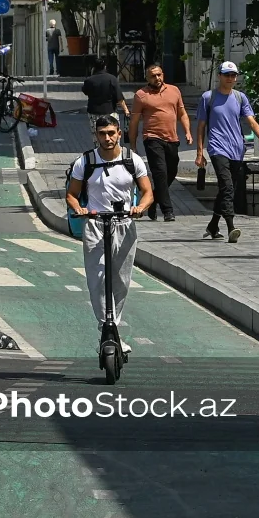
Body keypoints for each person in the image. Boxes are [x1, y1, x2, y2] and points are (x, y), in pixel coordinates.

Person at [65, 115, 154, 355]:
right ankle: (107, 328)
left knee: (121, 280)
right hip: (95, 224)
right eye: (102, 133)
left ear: (119, 134)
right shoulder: (85, 162)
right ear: (96, 135)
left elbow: (147, 192)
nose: (107, 138)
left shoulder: (132, 160)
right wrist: (79, 209)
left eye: (111, 133)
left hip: (124, 223)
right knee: (98, 279)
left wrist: (139, 208)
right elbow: (72, 194)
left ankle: (113, 326)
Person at [194, 61, 259, 243]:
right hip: (217, 148)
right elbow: (201, 126)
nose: (230, 78)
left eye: (233, 75)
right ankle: (231, 227)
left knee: (227, 189)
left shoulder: (240, 97)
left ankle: (212, 225)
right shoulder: (208, 97)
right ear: (219, 76)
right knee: (227, 187)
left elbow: (251, 120)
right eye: (226, 75)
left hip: (237, 149)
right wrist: (199, 152)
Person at [130, 64, 190, 222]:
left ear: (163, 75)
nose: (157, 78)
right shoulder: (141, 95)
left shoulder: (174, 90)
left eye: (159, 75)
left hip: (172, 139)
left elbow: (182, 113)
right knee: (160, 173)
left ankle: (153, 199)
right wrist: (133, 144)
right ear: (147, 78)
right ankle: (168, 210)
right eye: (153, 76)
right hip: (152, 138)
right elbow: (134, 122)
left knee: (171, 172)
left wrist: (188, 132)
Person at [82, 60, 129, 129]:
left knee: (97, 135)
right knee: (112, 134)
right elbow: (119, 97)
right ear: (105, 67)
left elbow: (85, 91)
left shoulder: (89, 80)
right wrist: (126, 110)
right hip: (110, 111)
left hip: (94, 111)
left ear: (93, 68)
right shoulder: (112, 79)